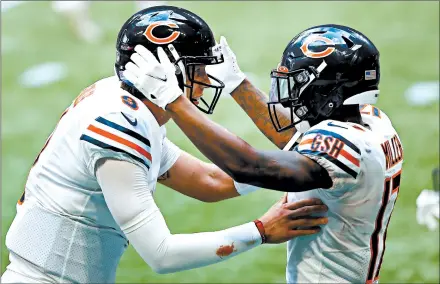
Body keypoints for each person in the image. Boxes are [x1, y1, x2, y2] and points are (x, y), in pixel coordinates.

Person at [1, 6, 329, 284]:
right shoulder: (119, 121)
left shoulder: (125, 103)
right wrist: (261, 231)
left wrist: (284, 169)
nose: (205, 77)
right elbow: (161, 253)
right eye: (198, 67)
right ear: (165, 71)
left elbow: (209, 181)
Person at [124, 24, 404, 283]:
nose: (291, 95)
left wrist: (174, 101)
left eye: (300, 83)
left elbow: (251, 166)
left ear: (330, 91)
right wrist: (237, 83)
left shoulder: (349, 147)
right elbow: (298, 140)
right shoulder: (374, 123)